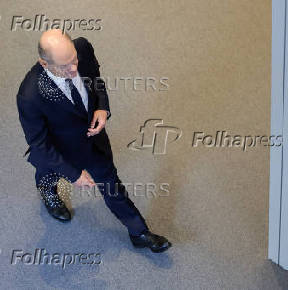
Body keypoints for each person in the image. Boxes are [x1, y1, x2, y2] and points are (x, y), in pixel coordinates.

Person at [16, 29, 171, 253]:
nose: (73, 69)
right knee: (48, 176)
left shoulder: (82, 48)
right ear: (44, 63)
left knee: (112, 185)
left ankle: (138, 232)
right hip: (58, 152)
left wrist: (102, 107)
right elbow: (40, 145)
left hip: (93, 142)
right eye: (64, 66)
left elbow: (96, 81)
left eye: (74, 61)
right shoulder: (29, 96)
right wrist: (73, 174)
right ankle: (49, 194)